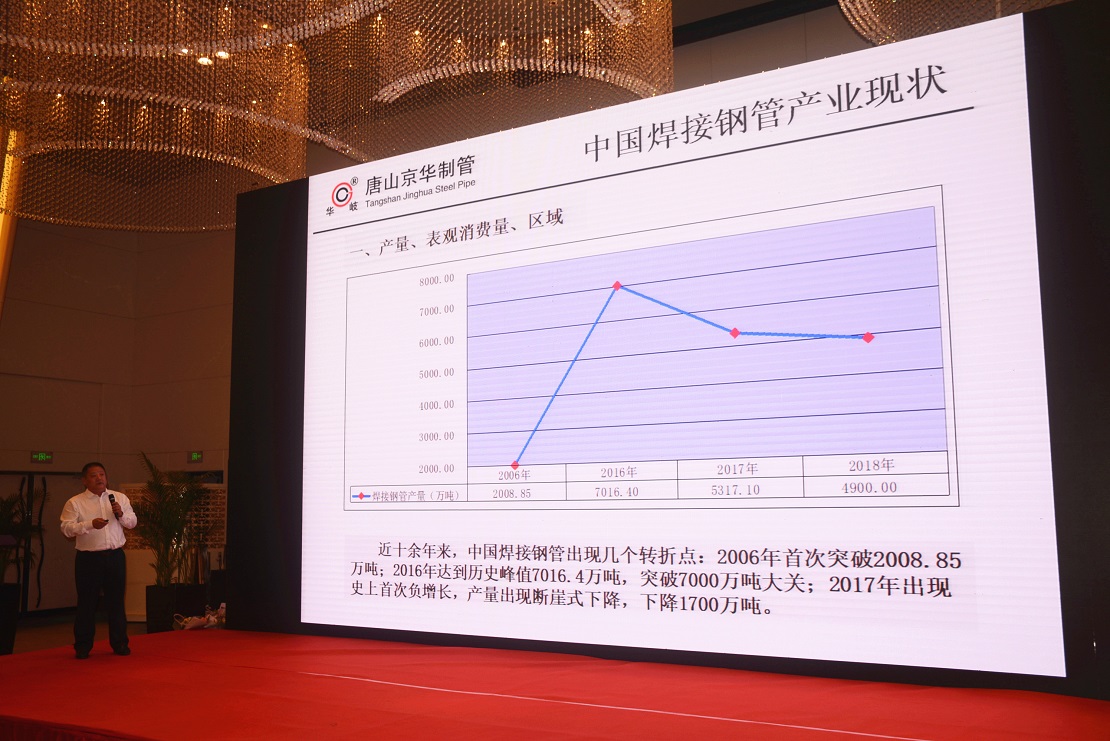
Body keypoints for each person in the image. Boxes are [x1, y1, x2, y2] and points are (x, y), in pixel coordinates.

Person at [60, 462, 137, 659]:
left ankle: (120, 643)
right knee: (87, 602)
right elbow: (66, 529)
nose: (99, 478)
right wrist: (89, 524)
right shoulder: (75, 502)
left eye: (102, 474)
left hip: (115, 556)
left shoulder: (119, 498)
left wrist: (120, 514)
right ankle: (83, 646)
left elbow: (132, 522)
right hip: (89, 558)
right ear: (85, 480)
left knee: (116, 602)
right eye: (94, 475)